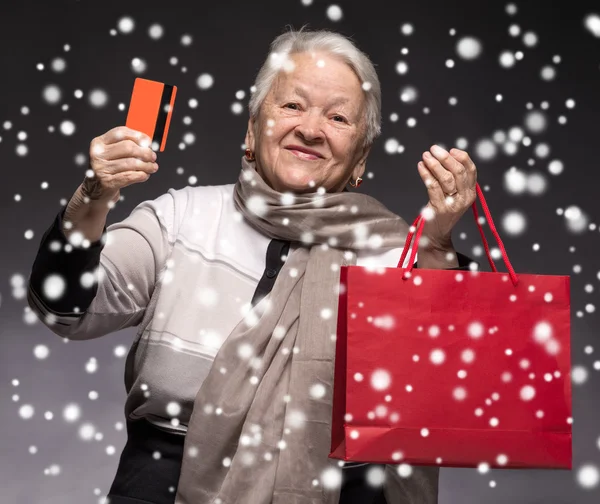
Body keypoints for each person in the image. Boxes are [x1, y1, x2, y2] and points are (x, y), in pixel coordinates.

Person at [27, 27, 478, 504]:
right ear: (251, 129)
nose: (310, 129)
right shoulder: (182, 219)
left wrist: (438, 241)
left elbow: (447, 389)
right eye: (291, 106)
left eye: (338, 117)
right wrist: (92, 198)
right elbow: (64, 308)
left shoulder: (394, 256)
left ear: (360, 157)